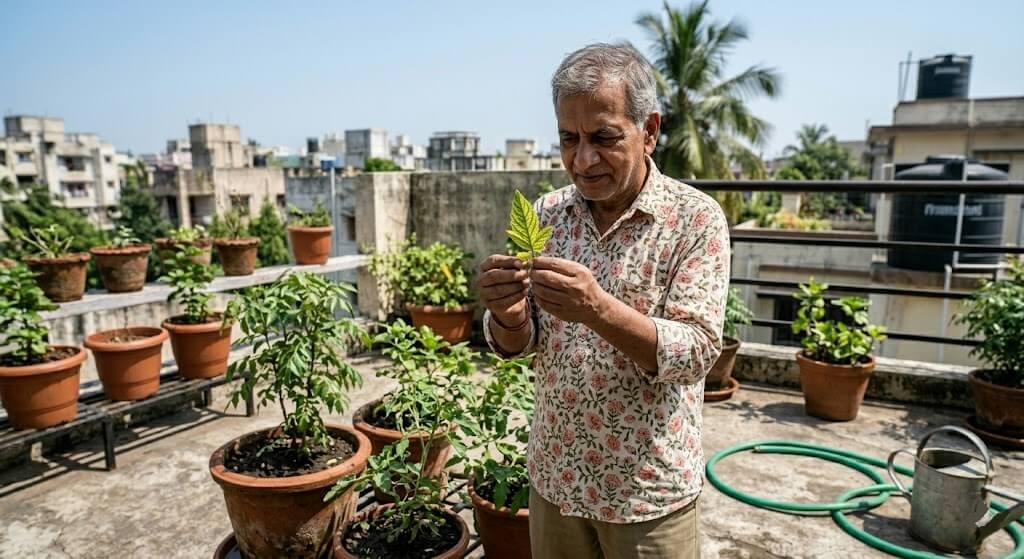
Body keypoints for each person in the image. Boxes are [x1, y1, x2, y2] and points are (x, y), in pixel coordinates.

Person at [476, 43, 731, 559]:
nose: (582, 159)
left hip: (647, 494)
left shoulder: (695, 219)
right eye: (568, 139)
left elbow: (699, 351)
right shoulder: (547, 215)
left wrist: (598, 308)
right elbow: (520, 343)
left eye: (604, 138)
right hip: (556, 479)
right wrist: (507, 317)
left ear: (650, 130)